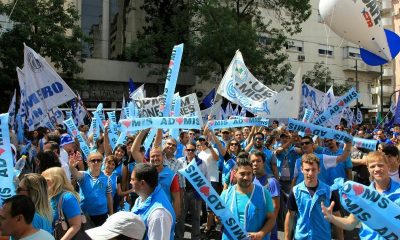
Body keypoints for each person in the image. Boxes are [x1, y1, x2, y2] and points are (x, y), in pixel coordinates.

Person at [321, 152, 400, 239]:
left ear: (388, 166)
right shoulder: (363, 195)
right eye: (373, 166)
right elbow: (350, 223)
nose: (377, 169)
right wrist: (332, 218)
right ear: (368, 169)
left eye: (380, 165)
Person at [285, 153, 343, 240]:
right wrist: (287, 238)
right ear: (301, 170)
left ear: (319, 170)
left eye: (313, 170)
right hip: (301, 237)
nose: (310, 173)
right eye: (307, 170)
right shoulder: (295, 191)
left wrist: (340, 238)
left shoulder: (329, 191)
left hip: (323, 237)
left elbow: (337, 216)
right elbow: (290, 216)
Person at [221, 158, 275, 240]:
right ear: (235, 173)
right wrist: (217, 218)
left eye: (249, 173)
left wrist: (261, 234)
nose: (246, 177)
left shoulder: (264, 193)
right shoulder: (226, 195)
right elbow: (219, 218)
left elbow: (271, 218)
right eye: (242, 174)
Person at [131, 163, 176, 240]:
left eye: (132, 179)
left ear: (142, 183)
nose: (130, 182)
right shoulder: (142, 196)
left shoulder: (159, 215)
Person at [69, 152, 113, 226]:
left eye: (98, 160)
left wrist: (111, 214)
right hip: (85, 214)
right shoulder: (83, 175)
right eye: (93, 160)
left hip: (101, 214)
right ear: (88, 163)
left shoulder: (107, 178)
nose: (96, 162)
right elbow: (75, 174)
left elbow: (109, 197)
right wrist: (72, 167)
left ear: (102, 162)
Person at [176, 142, 208, 240]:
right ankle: (179, 237)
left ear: (196, 150)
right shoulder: (179, 161)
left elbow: (206, 179)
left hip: (196, 194)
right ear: (185, 150)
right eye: (188, 150)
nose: (190, 152)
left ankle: (196, 237)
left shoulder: (201, 163)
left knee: (196, 218)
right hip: (183, 193)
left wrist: (204, 195)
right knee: (181, 217)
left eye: (192, 150)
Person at [42, 167, 82, 239]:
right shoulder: (51, 196)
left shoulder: (67, 198)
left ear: (56, 180)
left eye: (46, 180)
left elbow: (76, 225)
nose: (43, 183)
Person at [250, 151, 280, 240]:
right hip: (255, 228)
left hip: (268, 230)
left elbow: (276, 208)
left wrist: (267, 229)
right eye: (253, 161)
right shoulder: (251, 181)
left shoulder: (271, 182)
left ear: (263, 163)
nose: (255, 164)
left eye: (258, 161)